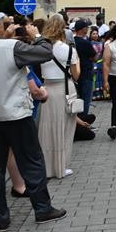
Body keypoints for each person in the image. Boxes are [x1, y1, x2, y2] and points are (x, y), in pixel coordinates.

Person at [0, 9, 67, 229]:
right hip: (16, 114)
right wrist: (37, 36)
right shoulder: (12, 47)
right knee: (31, 162)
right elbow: (44, 53)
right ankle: (42, 208)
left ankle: (0, 217)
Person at [38, 15, 79, 179]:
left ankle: (47, 167)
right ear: (63, 28)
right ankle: (61, 167)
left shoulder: (41, 48)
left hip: (47, 89)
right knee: (66, 129)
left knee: (46, 129)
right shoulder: (70, 50)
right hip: (66, 89)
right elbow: (76, 75)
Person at [72, 19, 96, 118]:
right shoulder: (85, 43)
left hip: (75, 74)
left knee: (78, 97)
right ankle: (84, 120)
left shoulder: (72, 42)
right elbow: (94, 57)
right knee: (86, 99)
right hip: (86, 72)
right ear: (83, 29)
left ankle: (77, 120)